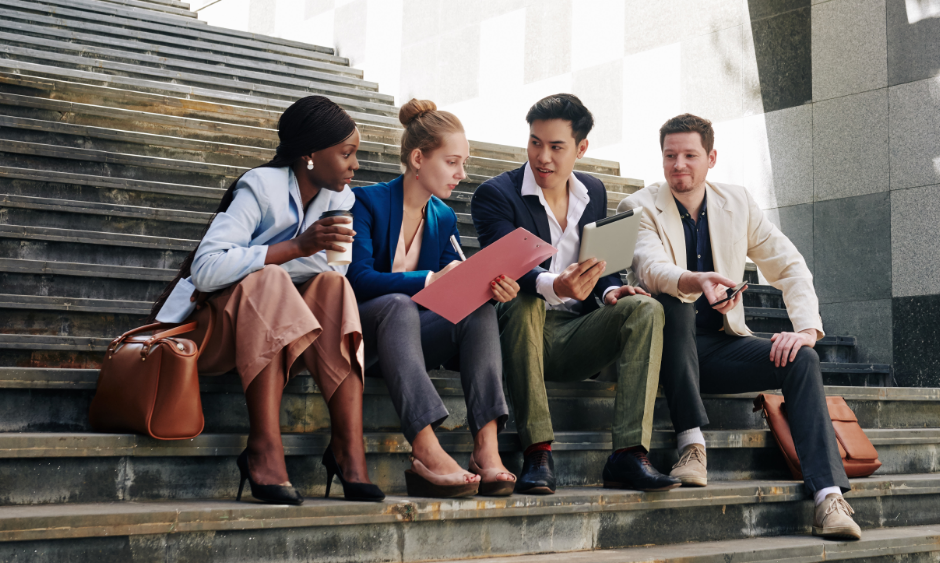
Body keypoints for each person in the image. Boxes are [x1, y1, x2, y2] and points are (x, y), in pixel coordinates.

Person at [619, 112, 861, 540]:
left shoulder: (738, 203)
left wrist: (806, 330)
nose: (679, 165)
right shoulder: (638, 206)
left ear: (711, 158)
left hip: (718, 347)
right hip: (663, 352)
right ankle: (692, 445)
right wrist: (696, 281)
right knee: (673, 304)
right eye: (670, 156)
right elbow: (651, 267)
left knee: (802, 358)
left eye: (690, 155)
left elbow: (788, 265)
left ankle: (828, 497)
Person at [150, 95, 383, 505]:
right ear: (310, 155)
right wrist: (292, 249)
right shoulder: (260, 187)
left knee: (333, 288)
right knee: (271, 278)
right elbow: (205, 269)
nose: (355, 165)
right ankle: (262, 447)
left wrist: (297, 263)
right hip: (214, 333)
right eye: (347, 154)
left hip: (285, 328)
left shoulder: (340, 200)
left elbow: (334, 273)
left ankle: (349, 448)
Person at [471, 93, 678, 495]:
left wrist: (614, 289)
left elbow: (597, 268)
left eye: (555, 146)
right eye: (535, 142)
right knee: (524, 297)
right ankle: (537, 450)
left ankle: (629, 454)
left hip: (575, 333)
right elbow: (509, 270)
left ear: (581, 149)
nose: (542, 157)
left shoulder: (593, 193)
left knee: (646, 309)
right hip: (516, 332)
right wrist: (555, 285)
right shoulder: (497, 195)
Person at [348, 99, 516, 498]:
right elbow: (355, 278)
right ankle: (424, 448)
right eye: (452, 162)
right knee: (399, 303)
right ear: (419, 158)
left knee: (479, 310)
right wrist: (427, 279)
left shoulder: (443, 217)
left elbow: (448, 291)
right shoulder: (365, 203)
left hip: (411, 341)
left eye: (464, 163)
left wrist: (488, 288)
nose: (462, 174)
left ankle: (486, 448)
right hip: (365, 335)